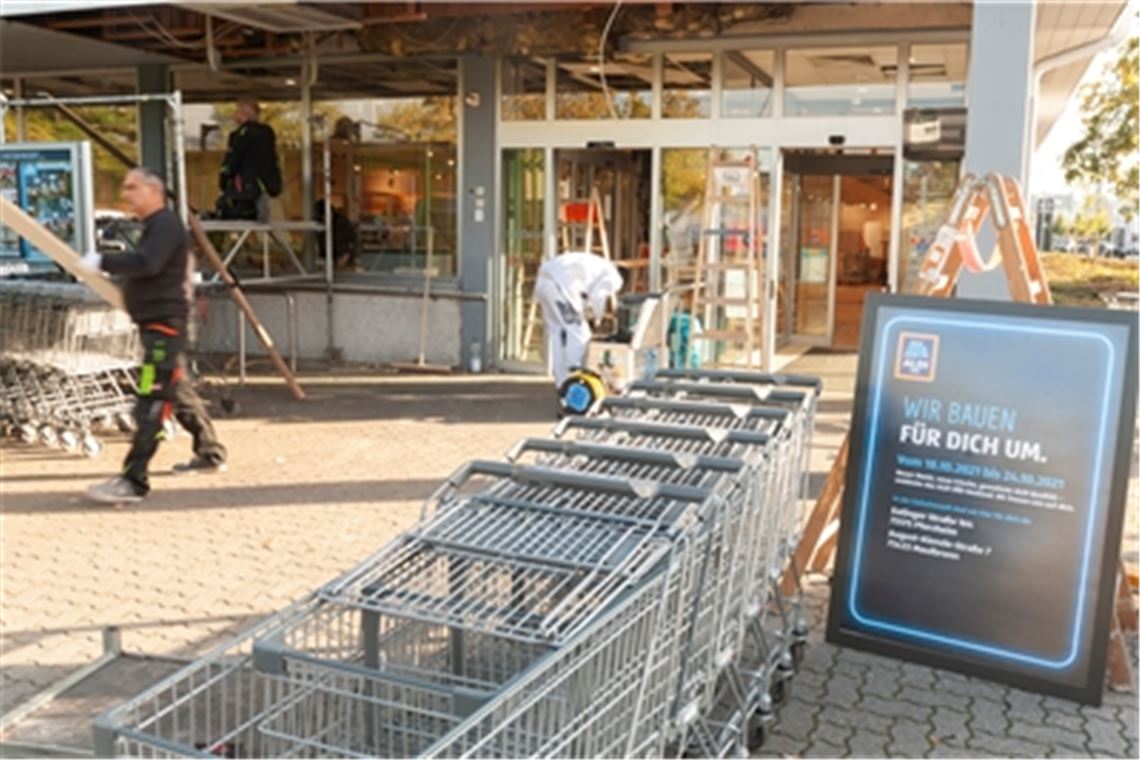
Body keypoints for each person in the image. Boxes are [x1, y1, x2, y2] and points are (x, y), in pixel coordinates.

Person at [81, 168, 228, 504]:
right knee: (175, 390)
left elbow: (147, 264)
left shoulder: (164, 225)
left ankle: (134, 479)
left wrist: (103, 260)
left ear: (153, 192)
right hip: (160, 328)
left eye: (133, 188)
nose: (127, 195)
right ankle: (211, 451)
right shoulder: (156, 227)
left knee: (152, 400)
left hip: (163, 328)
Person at [533, 251, 623, 389]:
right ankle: (574, 375)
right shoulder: (614, 278)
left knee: (557, 333)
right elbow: (598, 297)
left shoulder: (598, 266)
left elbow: (585, 298)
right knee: (579, 332)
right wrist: (597, 319)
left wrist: (587, 311)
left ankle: (562, 383)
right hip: (559, 287)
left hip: (544, 282)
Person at [216, 99, 282, 222]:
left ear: (243, 115)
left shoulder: (241, 134)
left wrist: (223, 180)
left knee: (245, 223)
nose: (234, 116)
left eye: (236, 112)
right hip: (270, 186)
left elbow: (232, 161)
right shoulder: (267, 132)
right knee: (275, 227)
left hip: (247, 190)